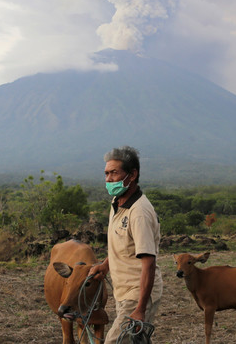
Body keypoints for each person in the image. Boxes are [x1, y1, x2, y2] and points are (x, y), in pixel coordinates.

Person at [89, 146, 162, 343]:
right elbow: (123, 246)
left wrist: (140, 309)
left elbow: (149, 263)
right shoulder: (117, 202)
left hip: (138, 294)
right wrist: (105, 265)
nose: (108, 179)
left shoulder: (139, 213)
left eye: (114, 173)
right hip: (123, 292)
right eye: (106, 173)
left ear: (132, 174)